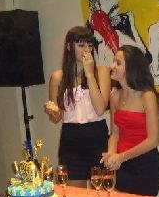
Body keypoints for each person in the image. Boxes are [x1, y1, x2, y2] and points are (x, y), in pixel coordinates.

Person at [44, 26, 111, 188]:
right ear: (69, 46)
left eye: (90, 45)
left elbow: (100, 108)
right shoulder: (58, 77)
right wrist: (52, 111)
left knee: (100, 193)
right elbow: (57, 117)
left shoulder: (102, 71)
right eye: (81, 45)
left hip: (97, 135)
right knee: (74, 195)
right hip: (71, 138)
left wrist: (89, 74)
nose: (86, 50)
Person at [103, 45, 159, 196]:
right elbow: (114, 134)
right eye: (113, 62)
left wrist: (121, 157)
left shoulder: (147, 96)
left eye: (118, 63)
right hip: (122, 165)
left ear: (131, 68)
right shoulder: (114, 96)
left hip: (144, 165)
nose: (112, 66)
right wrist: (111, 156)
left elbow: (153, 140)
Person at [87, 0, 149, 67]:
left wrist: (132, 27)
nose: (116, 0)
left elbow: (146, 59)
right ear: (97, 5)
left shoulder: (123, 23)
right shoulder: (90, 33)